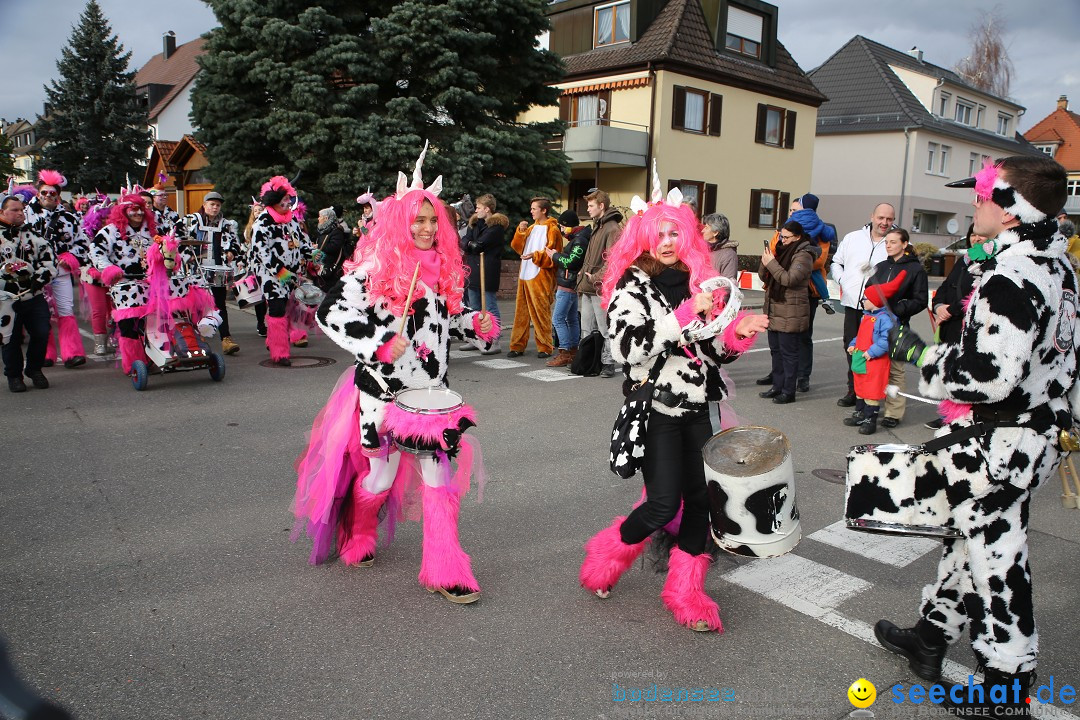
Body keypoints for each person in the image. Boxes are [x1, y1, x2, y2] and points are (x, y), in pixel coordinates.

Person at [875, 155, 1076, 715]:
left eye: (985, 195)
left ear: (1012, 210)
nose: (975, 203)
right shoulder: (1058, 268)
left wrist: (918, 354)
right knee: (971, 541)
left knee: (999, 563)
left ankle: (1006, 692)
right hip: (1031, 439)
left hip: (1003, 443)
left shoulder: (1014, 277)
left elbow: (987, 375)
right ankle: (930, 638)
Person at [293, 148, 498, 604]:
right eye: (416, 220)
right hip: (382, 395)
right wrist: (379, 342)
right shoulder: (374, 269)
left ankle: (446, 567)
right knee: (380, 479)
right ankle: (358, 530)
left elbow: (447, 325)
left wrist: (476, 326)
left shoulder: (444, 271)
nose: (425, 229)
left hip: (431, 397)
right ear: (399, 222)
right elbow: (329, 312)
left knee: (438, 477)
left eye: (432, 220)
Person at [578, 184, 768, 632]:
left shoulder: (699, 282)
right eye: (659, 234)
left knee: (702, 501)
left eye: (675, 233)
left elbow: (713, 352)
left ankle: (687, 592)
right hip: (657, 411)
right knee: (662, 505)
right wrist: (684, 315)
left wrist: (738, 333)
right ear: (645, 237)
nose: (667, 242)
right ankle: (604, 560)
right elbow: (627, 349)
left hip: (699, 408)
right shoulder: (631, 285)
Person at [90, 193, 220, 376]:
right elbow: (96, 252)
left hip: (156, 282)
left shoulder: (155, 230)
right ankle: (134, 364)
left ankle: (172, 351)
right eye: (132, 209)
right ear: (123, 211)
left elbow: (173, 247)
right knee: (130, 325)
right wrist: (110, 269)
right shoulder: (110, 231)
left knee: (170, 317)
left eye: (140, 210)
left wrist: (171, 259)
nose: (137, 213)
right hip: (127, 284)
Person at [831, 203, 895, 407]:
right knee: (852, 347)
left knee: (875, 351)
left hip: (878, 310)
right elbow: (836, 262)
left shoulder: (894, 242)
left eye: (889, 219)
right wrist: (842, 280)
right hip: (853, 304)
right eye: (881, 218)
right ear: (872, 217)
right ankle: (854, 390)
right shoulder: (853, 238)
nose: (884, 223)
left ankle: (872, 395)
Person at [23, 170, 88, 369]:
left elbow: (83, 243)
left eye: (53, 194)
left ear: (58, 196)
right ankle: (45, 353)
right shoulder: (26, 216)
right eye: (45, 193)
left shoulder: (69, 218)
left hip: (61, 272)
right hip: (36, 273)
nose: (49, 197)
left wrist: (69, 257)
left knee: (65, 310)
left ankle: (72, 353)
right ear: (38, 194)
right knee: (42, 314)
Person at [866, 227, 928, 428]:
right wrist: (867, 303)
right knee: (873, 367)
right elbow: (869, 289)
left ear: (904, 244)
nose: (889, 245)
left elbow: (920, 300)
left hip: (896, 325)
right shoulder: (882, 266)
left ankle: (893, 412)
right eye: (886, 242)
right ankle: (868, 408)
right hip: (873, 323)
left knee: (895, 371)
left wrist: (895, 309)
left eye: (893, 242)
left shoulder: (914, 269)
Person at [249, 176, 313, 366]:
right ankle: (280, 353)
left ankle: (273, 340)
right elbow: (260, 251)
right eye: (283, 200)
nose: (287, 203)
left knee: (291, 308)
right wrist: (279, 271)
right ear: (274, 202)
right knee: (277, 309)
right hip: (272, 275)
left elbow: (302, 243)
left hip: (292, 274)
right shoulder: (262, 222)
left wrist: (313, 255)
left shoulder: (292, 220)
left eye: (288, 199)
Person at [0, 193, 55, 392]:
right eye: (14, 210)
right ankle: (14, 375)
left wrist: (38, 279)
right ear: (2, 212)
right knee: (10, 338)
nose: (19, 213)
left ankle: (34, 369)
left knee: (41, 332)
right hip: (5, 299)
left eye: (21, 210)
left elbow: (49, 261)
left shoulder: (34, 236)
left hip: (33, 294)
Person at [757, 221, 814, 404]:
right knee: (776, 351)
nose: (783, 240)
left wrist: (771, 263)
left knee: (789, 354)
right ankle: (777, 386)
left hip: (791, 311)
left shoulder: (804, 255)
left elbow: (789, 279)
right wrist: (766, 261)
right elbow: (764, 276)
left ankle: (789, 391)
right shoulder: (780, 251)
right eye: (781, 236)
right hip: (775, 308)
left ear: (797, 237)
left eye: (787, 237)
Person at [181, 192, 243, 355]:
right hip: (196, 269)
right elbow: (179, 240)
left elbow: (236, 244)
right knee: (195, 305)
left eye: (218, 205)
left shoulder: (226, 224)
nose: (215, 207)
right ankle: (195, 337)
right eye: (212, 204)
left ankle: (226, 338)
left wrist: (231, 252)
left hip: (218, 269)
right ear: (204, 204)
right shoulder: (191, 220)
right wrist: (189, 258)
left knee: (220, 304)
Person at [842, 273, 904, 435]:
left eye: (865, 299)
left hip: (874, 360)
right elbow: (859, 335)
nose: (862, 301)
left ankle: (870, 419)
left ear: (876, 301)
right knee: (861, 387)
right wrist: (853, 344)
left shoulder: (886, 319)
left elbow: (886, 339)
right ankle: (860, 413)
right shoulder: (866, 316)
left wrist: (872, 351)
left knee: (871, 390)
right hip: (860, 358)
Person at [577, 189, 623, 378]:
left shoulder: (612, 228)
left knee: (604, 328)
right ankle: (587, 361)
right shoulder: (598, 226)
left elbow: (612, 260)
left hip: (599, 287)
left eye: (590, 205)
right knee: (586, 326)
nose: (587, 209)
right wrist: (584, 273)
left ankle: (608, 363)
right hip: (588, 285)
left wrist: (594, 277)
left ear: (601, 206)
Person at [508, 197, 562, 358]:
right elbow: (517, 248)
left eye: (534, 209)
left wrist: (535, 256)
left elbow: (554, 256)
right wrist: (520, 231)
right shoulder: (531, 228)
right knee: (521, 313)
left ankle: (545, 346)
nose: (531, 211)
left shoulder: (553, 230)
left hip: (540, 276)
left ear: (543, 210)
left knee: (541, 312)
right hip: (525, 275)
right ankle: (517, 345)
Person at [459, 193, 507, 354]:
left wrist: (471, 243)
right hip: (474, 269)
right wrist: (470, 243)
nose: (476, 210)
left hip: (488, 270)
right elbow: (464, 241)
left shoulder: (496, 227)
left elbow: (479, 245)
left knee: (490, 306)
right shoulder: (475, 223)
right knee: (474, 307)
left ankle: (494, 339)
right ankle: (477, 337)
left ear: (487, 209)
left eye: (479, 208)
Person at [545, 209, 590, 367]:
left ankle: (564, 351)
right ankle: (573, 350)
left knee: (558, 318)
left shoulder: (579, 241)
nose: (562, 230)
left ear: (570, 226)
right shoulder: (578, 238)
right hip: (570, 284)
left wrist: (554, 256)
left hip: (567, 285)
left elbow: (571, 262)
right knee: (571, 319)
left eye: (563, 227)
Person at [314, 206, 353, 293]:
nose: (318, 218)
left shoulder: (337, 231)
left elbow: (334, 247)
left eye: (320, 216)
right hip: (321, 267)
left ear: (326, 218)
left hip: (331, 269)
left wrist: (319, 247)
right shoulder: (323, 231)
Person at [243, 200, 267, 337]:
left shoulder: (268, 225)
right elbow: (247, 247)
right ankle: (260, 322)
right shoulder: (249, 229)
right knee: (259, 297)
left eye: (260, 210)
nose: (258, 212)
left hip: (268, 266)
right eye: (256, 211)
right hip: (255, 265)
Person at [702, 212, 737, 280]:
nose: (702, 230)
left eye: (706, 227)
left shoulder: (729, 254)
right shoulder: (702, 249)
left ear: (715, 232)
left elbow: (728, 285)